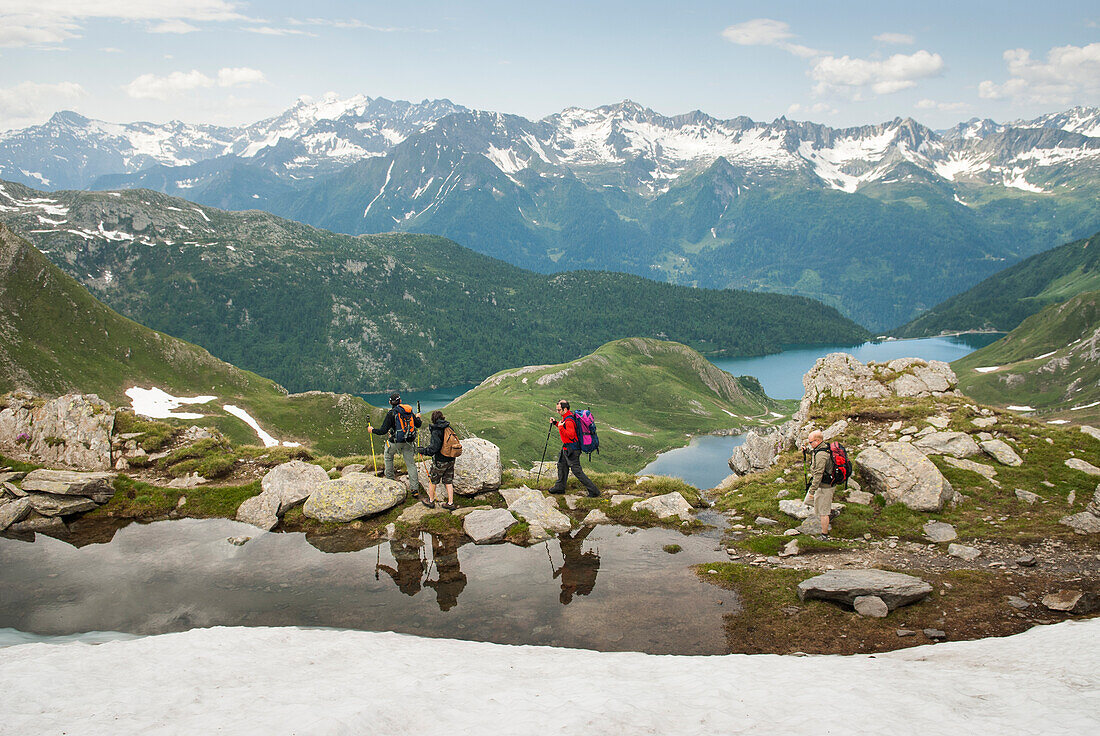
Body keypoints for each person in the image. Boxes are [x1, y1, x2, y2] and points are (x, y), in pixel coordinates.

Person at [367, 392, 422, 494]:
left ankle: (390, 481)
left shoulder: (391, 414)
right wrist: (418, 417)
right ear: (400, 401)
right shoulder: (408, 411)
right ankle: (414, 489)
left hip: (395, 441)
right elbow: (418, 424)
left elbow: (383, 431)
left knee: (388, 456)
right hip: (409, 442)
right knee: (411, 464)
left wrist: (372, 430)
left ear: (390, 402)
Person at [547, 399, 599, 497]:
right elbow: (564, 426)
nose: (557, 412)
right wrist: (555, 423)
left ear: (565, 409)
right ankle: (560, 487)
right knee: (562, 466)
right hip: (567, 448)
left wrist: (561, 427)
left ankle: (594, 491)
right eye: (557, 410)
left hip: (572, 449)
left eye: (559, 410)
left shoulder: (569, 420)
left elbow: (570, 435)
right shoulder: (566, 417)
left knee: (577, 471)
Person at [416, 410, 457, 510]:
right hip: (451, 458)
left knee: (433, 480)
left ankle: (431, 501)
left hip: (440, 460)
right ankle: (450, 503)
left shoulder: (436, 431)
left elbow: (434, 448)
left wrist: (423, 450)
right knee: (448, 481)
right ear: (442, 417)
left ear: (433, 419)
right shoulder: (448, 427)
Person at [553, 525, 600, 604]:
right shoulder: (571, 585)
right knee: (570, 545)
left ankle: (566, 531)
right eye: (566, 594)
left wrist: (559, 572)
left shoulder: (568, 585)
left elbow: (566, 569)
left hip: (575, 561)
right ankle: (588, 527)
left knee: (570, 544)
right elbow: (568, 570)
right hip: (578, 561)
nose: (564, 592)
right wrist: (559, 572)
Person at [803, 429, 835, 540]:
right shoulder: (821, 448)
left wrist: (812, 491)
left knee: (823, 512)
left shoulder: (821, 454)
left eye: (810, 442)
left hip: (825, 486)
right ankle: (832, 511)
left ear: (817, 441)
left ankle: (824, 535)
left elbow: (818, 474)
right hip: (822, 485)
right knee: (808, 501)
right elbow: (814, 453)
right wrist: (807, 450)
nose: (809, 443)